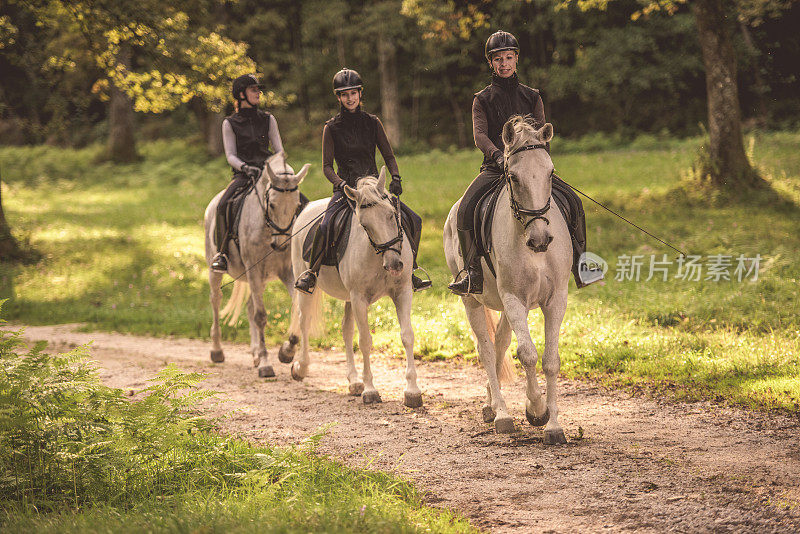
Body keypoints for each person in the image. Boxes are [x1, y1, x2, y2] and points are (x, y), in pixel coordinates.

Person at [447, 30, 604, 295]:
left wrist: (539, 165)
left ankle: (581, 264)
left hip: (531, 170)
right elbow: (480, 135)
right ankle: (472, 273)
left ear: (517, 59)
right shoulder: (482, 99)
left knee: (574, 202)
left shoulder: (532, 96)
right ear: (491, 63)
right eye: (498, 59)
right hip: (495, 168)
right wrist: (498, 156)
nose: (504, 63)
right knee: (465, 210)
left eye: (509, 57)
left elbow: (543, 134)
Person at [293, 68, 431, 294]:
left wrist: (395, 177)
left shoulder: (373, 122)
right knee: (326, 225)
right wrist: (339, 184)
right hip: (347, 189)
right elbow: (327, 166)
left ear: (360, 93)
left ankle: (412, 269)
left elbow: (388, 155)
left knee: (413, 219)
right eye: (344, 94)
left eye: (353, 93)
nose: (350, 98)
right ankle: (312, 273)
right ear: (338, 97)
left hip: (374, 189)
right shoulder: (331, 128)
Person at [211, 73, 285, 273]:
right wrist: (245, 167)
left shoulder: (269, 119)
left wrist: (275, 167)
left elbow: (279, 150)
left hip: (268, 173)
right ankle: (222, 253)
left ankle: (298, 245)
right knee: (223, 205)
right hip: (244, 175)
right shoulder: (229, 123)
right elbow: (230, 156)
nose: (258, 93)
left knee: (299, 200)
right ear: (241, 94)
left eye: (258, 90)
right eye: (254, 90)